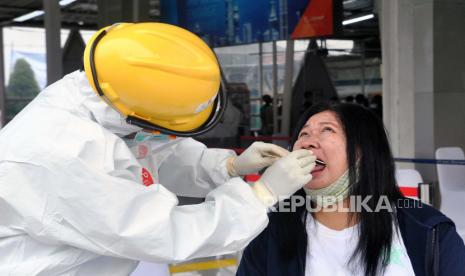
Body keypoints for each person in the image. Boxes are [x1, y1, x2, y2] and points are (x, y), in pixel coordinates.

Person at [0, 23, 316, 275]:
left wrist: (225, 167)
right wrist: (260, 195)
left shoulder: (106, 89)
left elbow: (147, 150)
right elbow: (166, 232)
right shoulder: (62, 153)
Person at [237, 103, 465, 276]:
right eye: (304, 134)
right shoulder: (271, 232)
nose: (307, 142)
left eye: (327, 130)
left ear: (362, 152)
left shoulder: (430, 232)